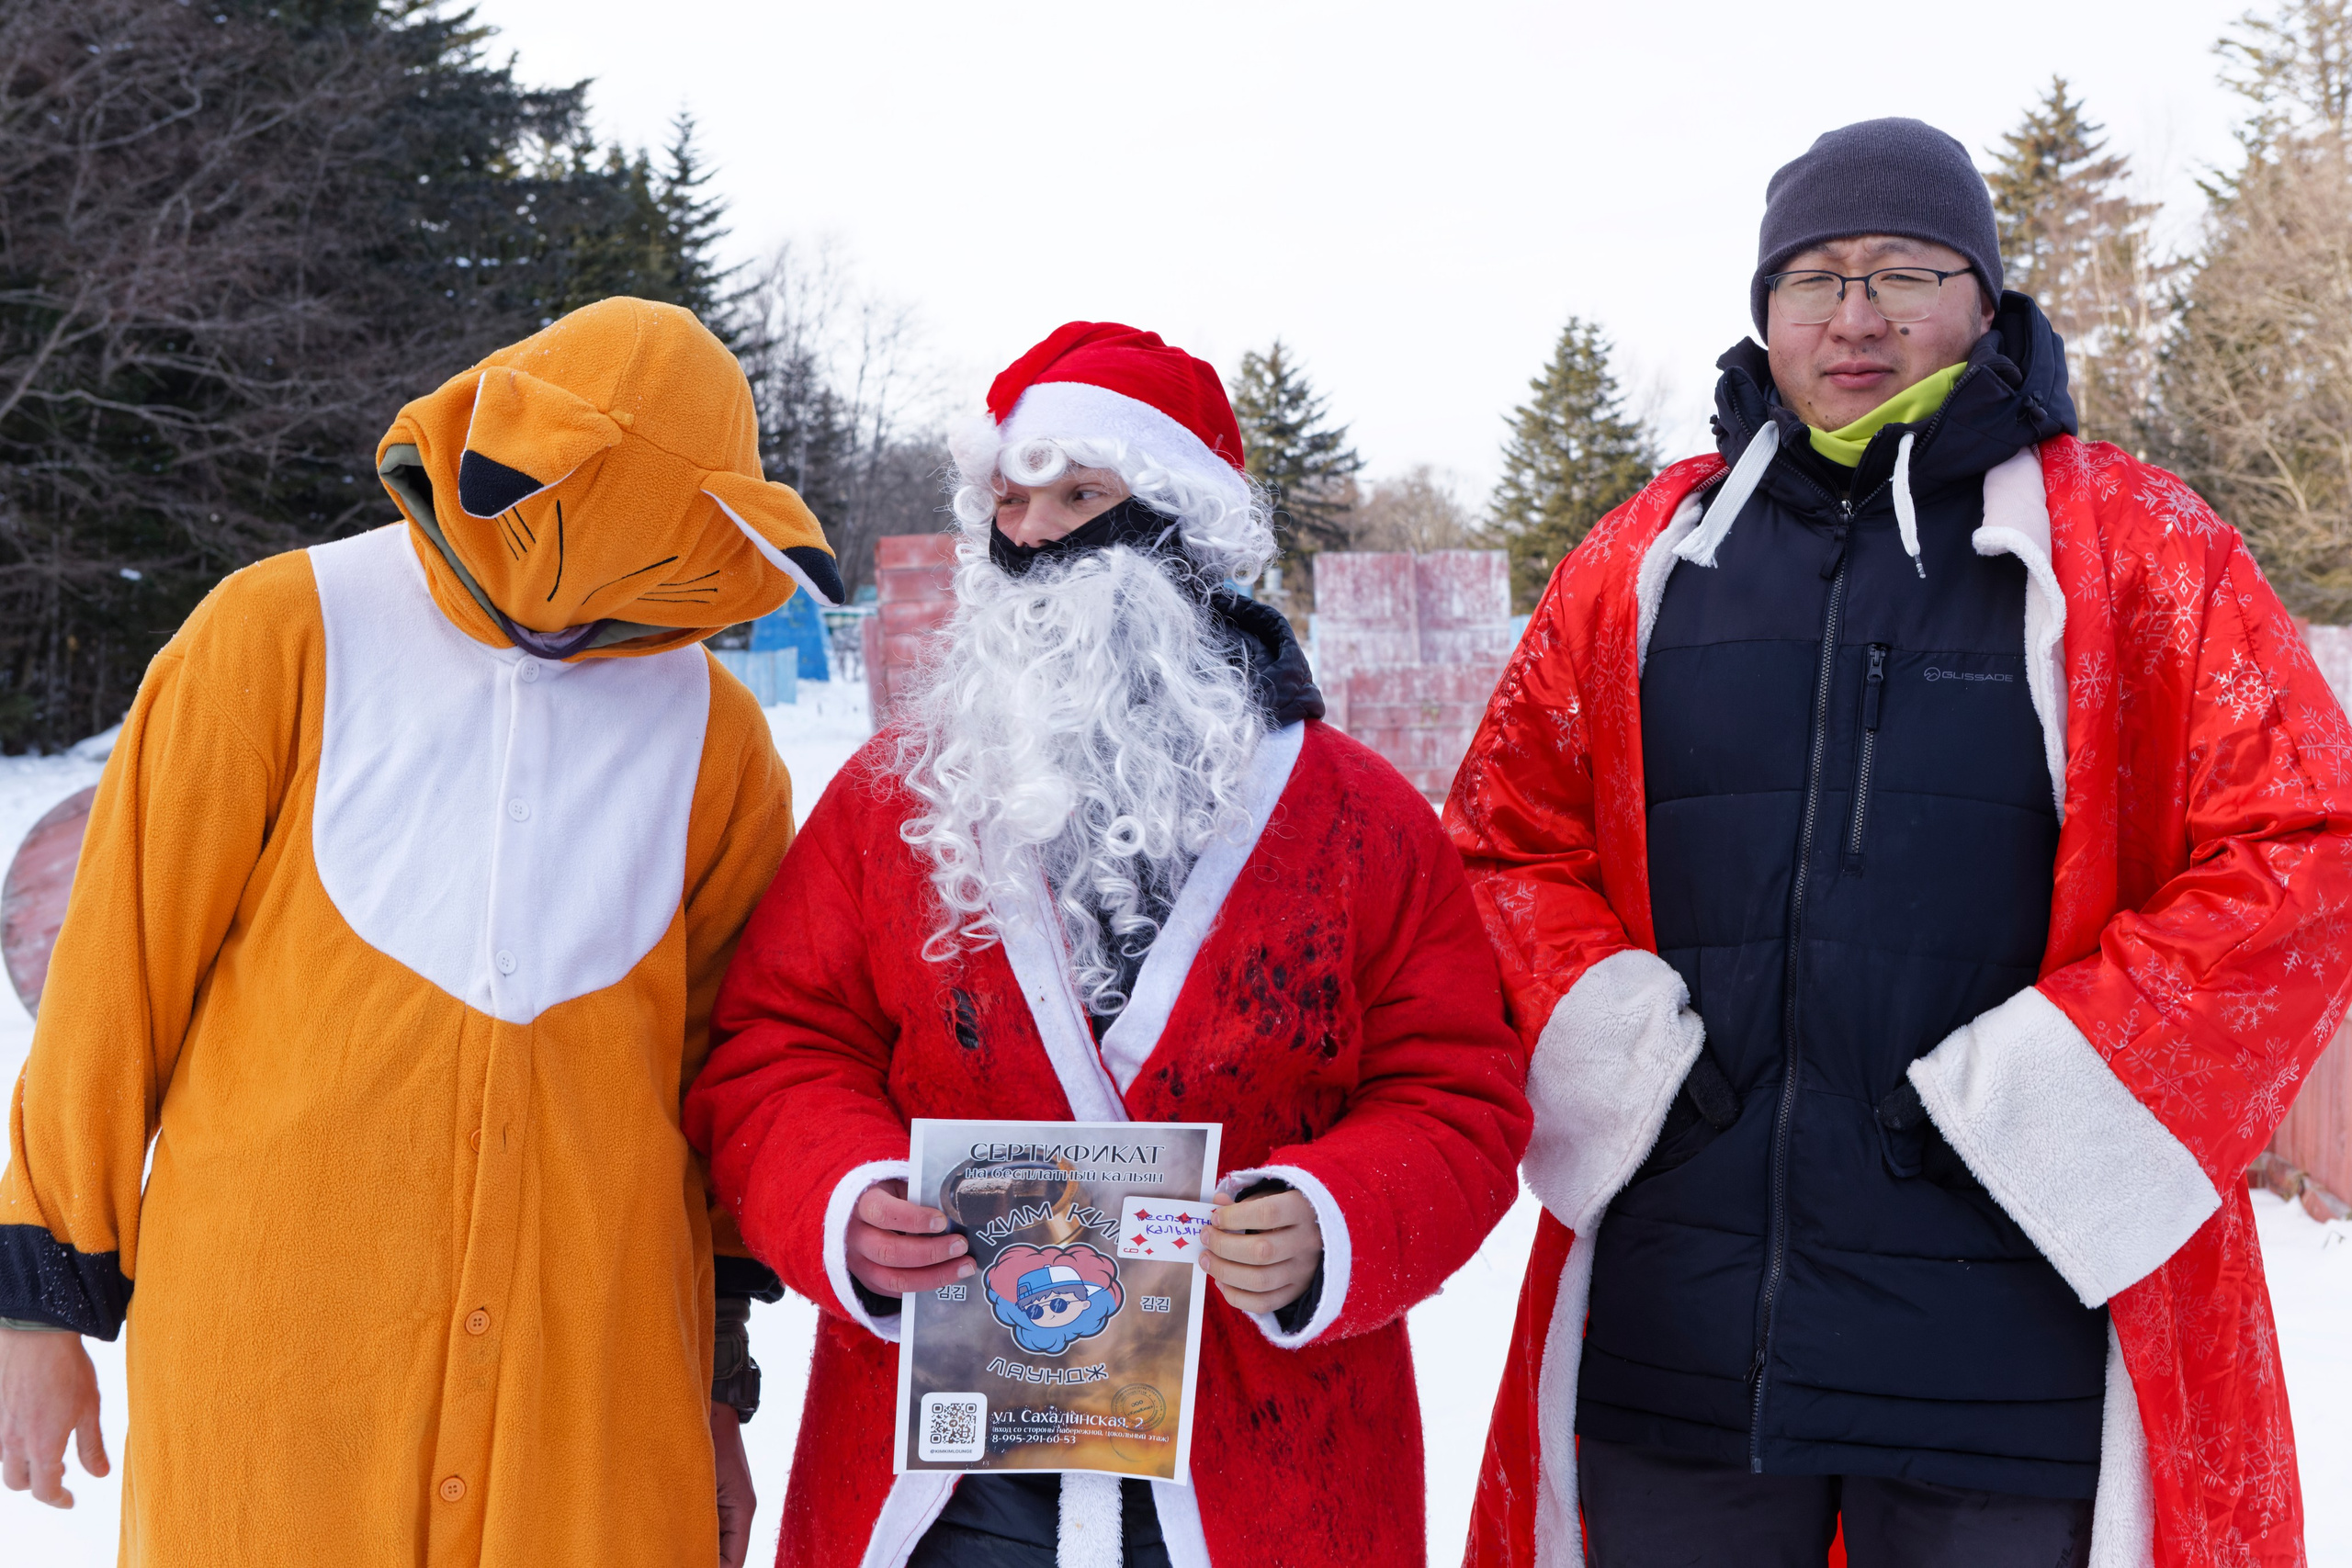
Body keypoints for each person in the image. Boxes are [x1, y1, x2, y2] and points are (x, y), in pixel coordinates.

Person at [1449, 118, 2352, 1568]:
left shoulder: (2139, 550)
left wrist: (2044, 1098)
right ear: (1765, 313)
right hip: (1684, 1343)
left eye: (1903, 272)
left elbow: (2307, 844)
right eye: (1812, 278)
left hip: (2014, 1349)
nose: (1854, 316)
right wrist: (1627, 1053)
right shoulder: (1641, 565)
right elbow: (1499, 845)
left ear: (1983, 301)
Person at [0, 297, 842, 1566]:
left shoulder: (718, 740)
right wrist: (35, 1308)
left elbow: (726, 1075)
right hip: (281, 1376)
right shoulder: (276, 635)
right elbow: (116, 981)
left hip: (592, 1390)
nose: (578, 632)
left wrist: (717, 1391)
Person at [684, 321, 1532, 1568]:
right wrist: (843, 1200)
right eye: (1009, 500)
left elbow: (1459, 1091)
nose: (1029, 534)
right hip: (940, 1478)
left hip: (1263, 1466)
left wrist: (1333, 1218)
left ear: (1185, 529)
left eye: (1082, 495)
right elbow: (779, 1048)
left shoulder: (1359, 817)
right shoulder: (890, 802)